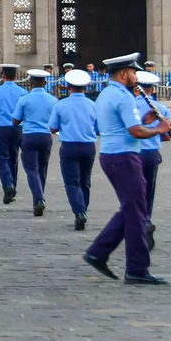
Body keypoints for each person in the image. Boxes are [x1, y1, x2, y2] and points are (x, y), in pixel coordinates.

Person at [83, 53, 171, 285]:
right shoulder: (123, 97)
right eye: (134, 72)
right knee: (136, 212)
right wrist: (160, 127)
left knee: (132, 208)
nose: (136, 76)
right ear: (124, 73)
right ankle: (136, 268)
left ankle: (98, 252)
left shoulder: (107, 93)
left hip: (113, 155)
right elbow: (135, 132)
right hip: (124, 156)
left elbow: (124, 125)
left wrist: (146, 118)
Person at [48, 69, 98, 230]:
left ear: (68, 87)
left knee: (71, 182)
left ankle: (79, 211)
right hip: (88, 146)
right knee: (85, 181)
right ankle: (84, 208)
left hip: (69, 146)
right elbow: (98, 128)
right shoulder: (92, 105)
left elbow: (52, 128)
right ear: (85, 87)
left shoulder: (61, 105)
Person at [134, 71, 171, 250]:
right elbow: (166, 136)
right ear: (153, 89)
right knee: (149, 189)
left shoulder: (130, 106)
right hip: (151, 153)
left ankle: (138, 223)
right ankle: (146, 218)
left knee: (133, 190)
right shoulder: (161, 108)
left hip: (133, 153)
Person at [15, 69, 58, 216]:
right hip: (46, 135)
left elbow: (15, 120)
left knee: (31, 169)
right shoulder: (53, 100)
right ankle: (40, 196)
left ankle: (38, 198)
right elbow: (56, 122)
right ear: (45, 83)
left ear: (31, 82)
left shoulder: (24, 99)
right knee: (43, 168)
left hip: (29, 135)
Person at [0, 63, 25, 204]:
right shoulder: (22, 92)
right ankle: (13, 185)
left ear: (3, 76)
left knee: (2, 158)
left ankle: (7, 184)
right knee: (14, 157)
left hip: (1, 127)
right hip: (17, 128)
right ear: (16, 76)